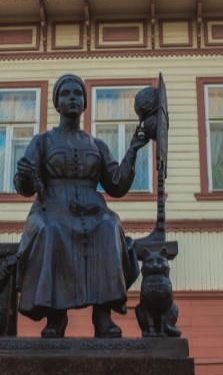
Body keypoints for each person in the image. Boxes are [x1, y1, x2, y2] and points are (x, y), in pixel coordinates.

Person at [14, 73, 149, 338]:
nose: (72, 98)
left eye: (77, 94)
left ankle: (103, 316)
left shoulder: (97, 145)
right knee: (50, 229)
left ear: (85, 103)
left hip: (93, 210)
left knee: (110, 226)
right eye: (66, 94)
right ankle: (56, 317)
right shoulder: (42, 141)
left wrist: (133, 151)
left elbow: (116, 186)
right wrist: (26, 175)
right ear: (57, 103)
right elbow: (24, 186)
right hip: (50, 208)